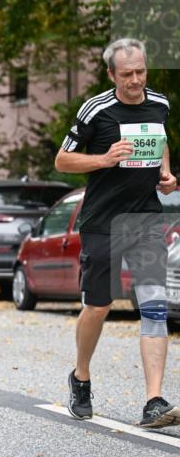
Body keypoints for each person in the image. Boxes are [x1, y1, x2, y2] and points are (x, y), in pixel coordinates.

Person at [53, 38, 177, 428]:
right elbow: (62, 160)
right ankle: (81, 376)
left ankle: (154, 400)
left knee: (155, 306)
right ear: (111, 74)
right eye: (127, 74)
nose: (136, 80)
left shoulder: (160, 103)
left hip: (146, 219)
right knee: (100, 305)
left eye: (141, 71)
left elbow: (161, 142)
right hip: (103, 222)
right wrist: (103, 159)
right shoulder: (96, 110)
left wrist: (165, 174)